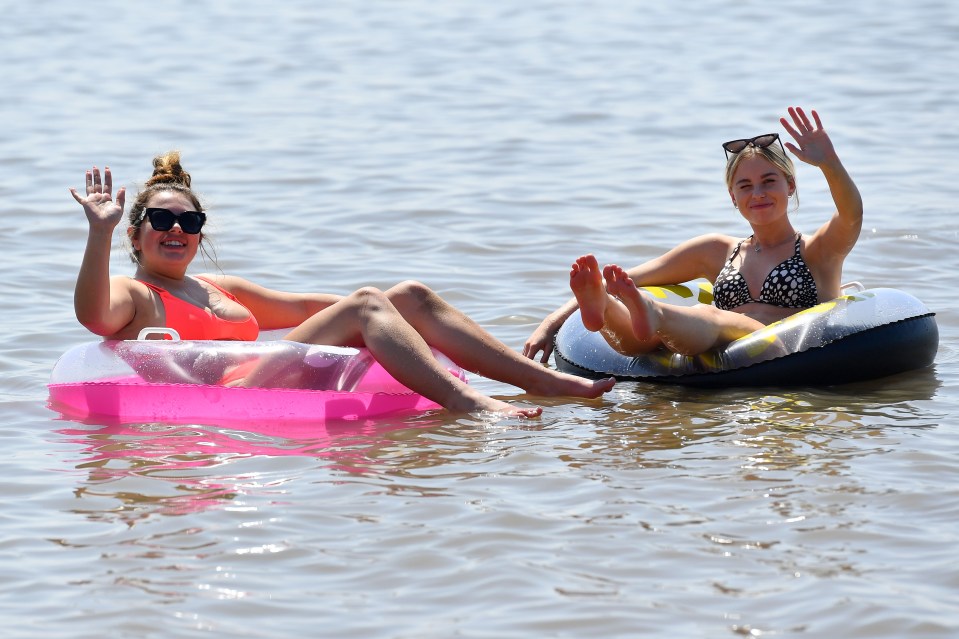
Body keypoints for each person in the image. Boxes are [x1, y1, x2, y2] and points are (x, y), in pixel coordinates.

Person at [70, 152, 615, 418]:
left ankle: (539, 380)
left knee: (406, 294)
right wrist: (99, 233)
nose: (176, 232)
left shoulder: (218, 286)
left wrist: (400, 320)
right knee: (368, 304)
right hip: (229, 392)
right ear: (136, 235)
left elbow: (314, 305)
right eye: (161, 222)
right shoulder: (136, 294)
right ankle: (469, 403)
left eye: (189, 223)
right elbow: (94, 316)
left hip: (265, 371)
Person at [524, 106, 862, 361]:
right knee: (643, 323)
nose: (757, 193)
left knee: (714, 317)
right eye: (745, 186)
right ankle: (608, 311)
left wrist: (829, 162)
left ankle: (651, 312)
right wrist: (552, 323)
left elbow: (850, 216)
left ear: (790, 185)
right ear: (733, 197)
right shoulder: (716, 251)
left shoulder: (818, 251)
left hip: (783, 349)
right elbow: (625, 278)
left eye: (768, 181)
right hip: (713, 350)